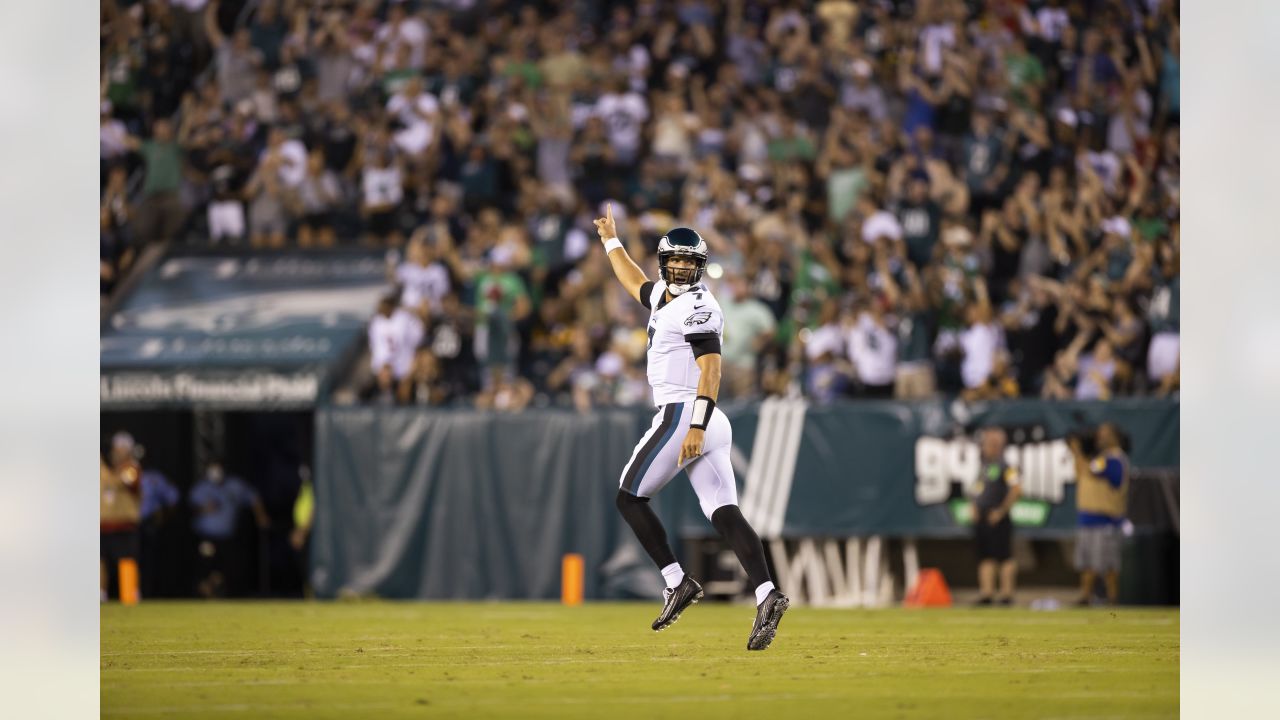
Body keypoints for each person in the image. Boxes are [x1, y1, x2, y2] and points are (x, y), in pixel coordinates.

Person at [593, 204, 789, 651]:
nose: (680, 268)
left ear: (700, 267)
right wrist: (611, 240)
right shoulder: (664, 293)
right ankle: (767, 593)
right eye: (675, 261)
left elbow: (711, 372)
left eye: (688, 262)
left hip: (687, 411)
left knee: (629, 496)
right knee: (723, 511)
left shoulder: (699, 306)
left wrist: (695, 427)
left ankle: (676, 581)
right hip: (704, 419)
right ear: (667, 262)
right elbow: (634, 283)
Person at [1068, 423, 1129, 606]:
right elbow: (1083, 472)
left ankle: (1112, 598)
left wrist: (1081, 452)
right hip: (1086, 518)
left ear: (1115, 437)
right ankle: (1085, 597)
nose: (1099, 438)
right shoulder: (1099, 459)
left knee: (1107, 563)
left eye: (1104, 434)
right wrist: (1078, 453)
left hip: (1106, 519)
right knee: (1086, 562)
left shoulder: (1115, 459)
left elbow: (1097, 471)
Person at [970, 427, 1022, 606]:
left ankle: (1007, 595)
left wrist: (1001, 511)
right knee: (985, 556)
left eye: (991, 444)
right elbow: (977, 489)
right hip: (983, 517)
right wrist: (974, 506)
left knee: (1004, 556)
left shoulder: (1006, 466)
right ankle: (987, 594)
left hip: (997, 517)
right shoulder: (983, 466)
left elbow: (1017, 489)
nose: (987, 447)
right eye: (985, 443)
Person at [100, 432, 142, 602]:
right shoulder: (101, 468)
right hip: (103, 523)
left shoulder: (132, 468)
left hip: (125, 524)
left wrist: (110, 469)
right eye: (117, 449)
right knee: (99, 560)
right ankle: (100, 593)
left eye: (123, 449)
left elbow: (126, 481)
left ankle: (130, 593)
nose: (119, 453)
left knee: (127, 559)